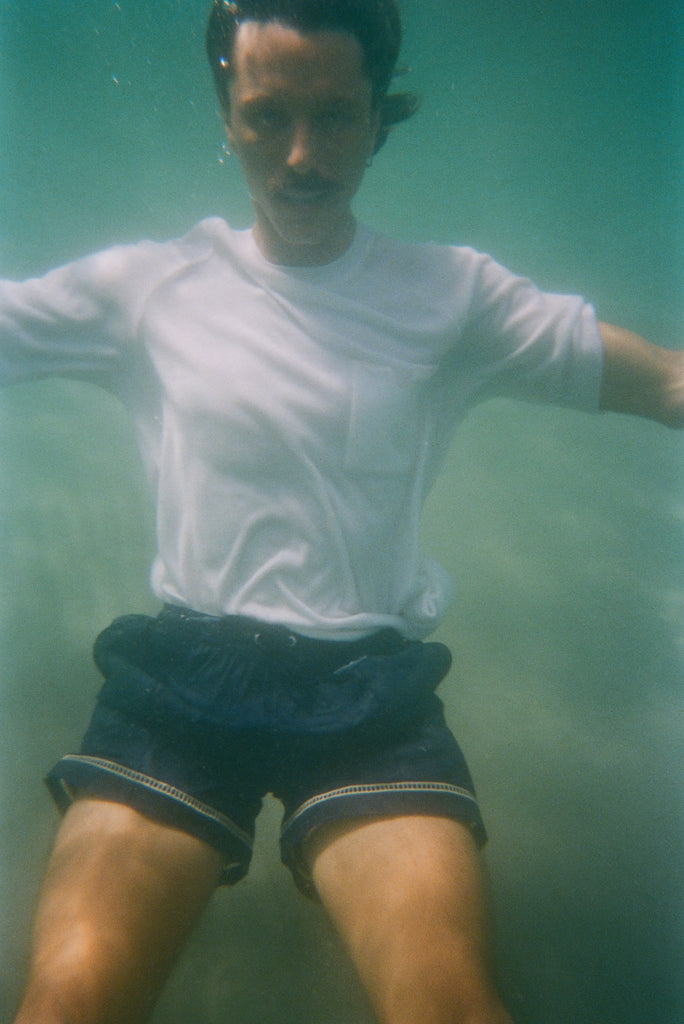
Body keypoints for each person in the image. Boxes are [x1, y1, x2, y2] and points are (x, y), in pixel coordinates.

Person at [3, 1, 682, 1022]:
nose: (303, 155)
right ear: (225, 111)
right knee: (66, 1002)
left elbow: (668, 383)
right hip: (182, 687)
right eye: (268, 115)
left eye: (336, 115)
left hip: (368, 700)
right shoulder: (148, 287)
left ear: (379, 117)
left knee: (452, 1006)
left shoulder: (454, 295)